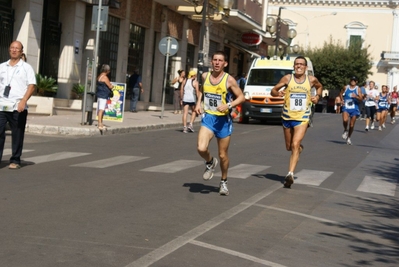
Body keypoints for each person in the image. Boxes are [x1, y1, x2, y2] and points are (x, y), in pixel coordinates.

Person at [194, 51, 245, 196]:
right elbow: (203, 91)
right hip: (209, 118)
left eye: (220, 60)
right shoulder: (205, 76)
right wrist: (198, 103)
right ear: (211, 62)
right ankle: (210, 162)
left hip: (223, 121)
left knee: (223, 155)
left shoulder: (229, 80)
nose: (217, 62)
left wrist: (229, 106)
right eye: (214, 60)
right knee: (201, 148)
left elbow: (241, 97)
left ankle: (223, 181)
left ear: (225, 64)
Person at [270, 56, 323, 188]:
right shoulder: (287, 78)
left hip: (302, 117)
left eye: (301, 64)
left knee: (295, 143)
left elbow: (319, 87)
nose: (298, 66)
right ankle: (299, 150)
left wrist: (317, 96)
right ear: (294, 66)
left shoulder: (311, 80)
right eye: (296, 64)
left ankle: (290, 174)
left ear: (306, 67)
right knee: (289, 147)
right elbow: (273, 90)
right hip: (287, 116)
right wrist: (277, 94)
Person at [0, 41, 36, 169]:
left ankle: (15, 159)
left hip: (18, 106)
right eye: (12, 48)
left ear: (21, 51)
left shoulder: (26, 68)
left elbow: (32, 85)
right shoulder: (2, 67)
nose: (14, 50)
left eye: (17, 48)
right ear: (9, 50)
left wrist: (24, 100)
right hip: (1, 105)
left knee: (17, 134)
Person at [340, 77, 362, 145]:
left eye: (354, 81)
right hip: (346, 106)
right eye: (352, 80)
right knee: (345, 120)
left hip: (354, 107)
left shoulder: (357, 89)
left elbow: (361, 99)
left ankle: (349, 137)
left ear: (356, 82)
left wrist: (356, 96)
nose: (353, 81)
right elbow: (340, 93)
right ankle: (345, 130)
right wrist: (341, 100)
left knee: (351, 125)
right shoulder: (346, 87)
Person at [96, 64, 113, 130]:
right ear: (106, 70)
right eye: (109, 71)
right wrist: (112, 86)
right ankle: (100, 124)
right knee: (101, 110)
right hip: (103, 95)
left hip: (99, 94)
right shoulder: (105, 77)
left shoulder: (99, 76)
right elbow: (110, 86)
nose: (109, 72)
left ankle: (101, 123)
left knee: (100, 109)